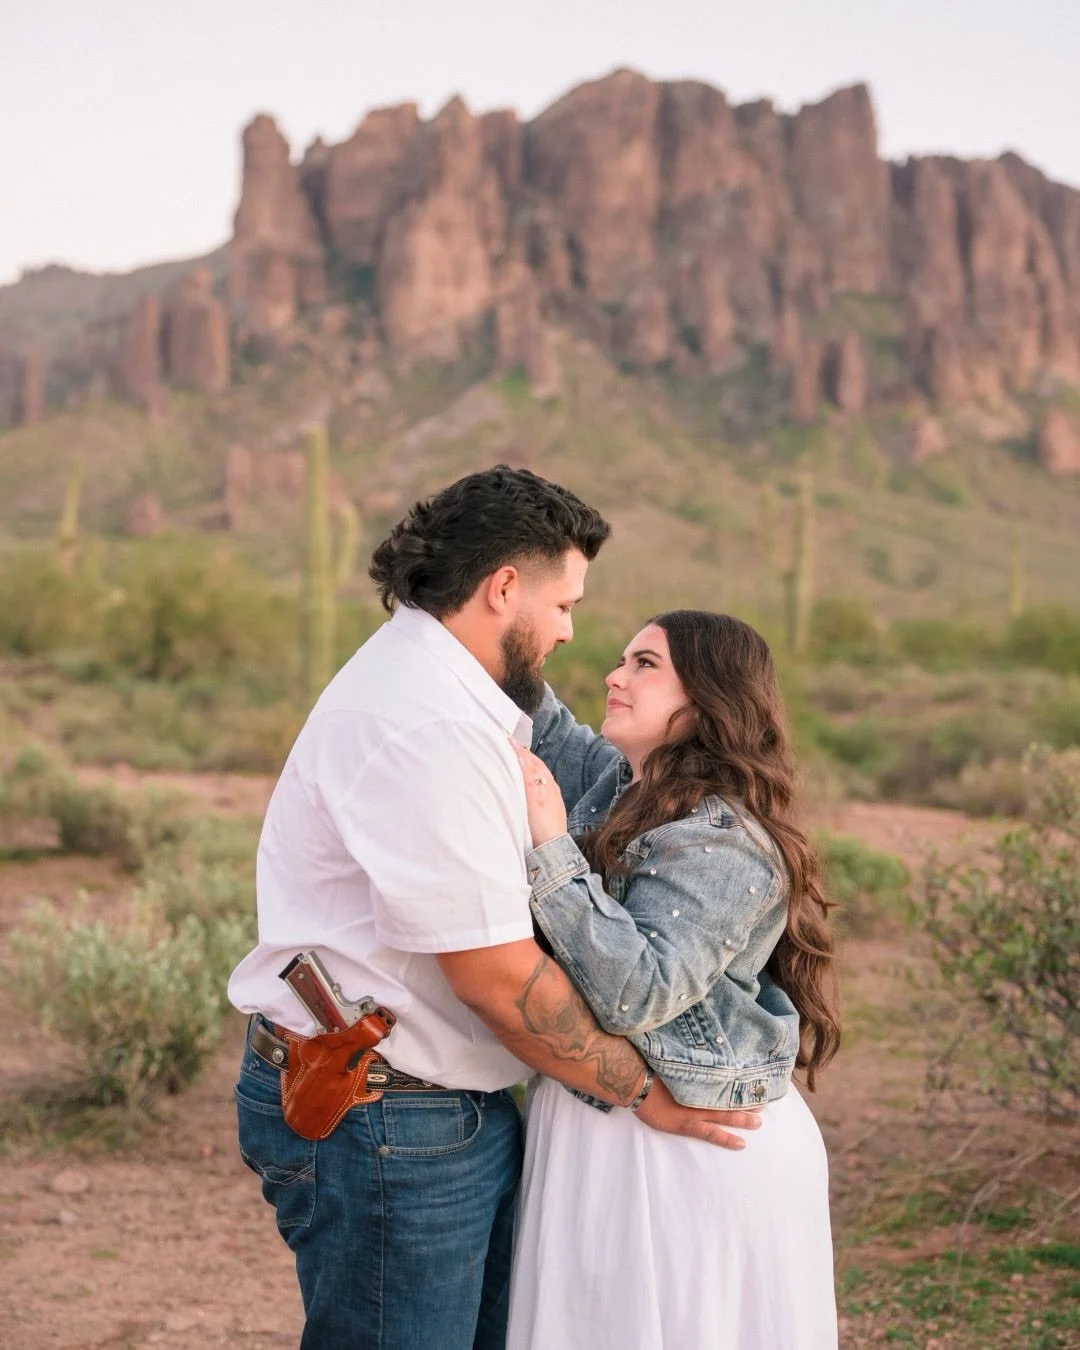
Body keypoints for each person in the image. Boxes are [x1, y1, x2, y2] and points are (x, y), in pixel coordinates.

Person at [227, 468, 764, 1350]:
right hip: (387, 1113)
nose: (568, 629)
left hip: (426, 1101)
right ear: (502, 588)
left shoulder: (453, 692)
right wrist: (644, 1095)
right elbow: (498, 980)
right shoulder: (428, 726)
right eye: (563, 603)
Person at [506, 610, 841, 1350]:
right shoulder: (623, 786)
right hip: (610, 1121)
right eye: (622, 660)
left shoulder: (726, 841)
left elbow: (638, 991)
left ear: (709, 699)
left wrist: (550, 848)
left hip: (691, 1147)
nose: (614, 676)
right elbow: (533, 705)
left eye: (645, 664)